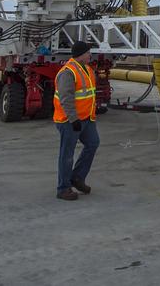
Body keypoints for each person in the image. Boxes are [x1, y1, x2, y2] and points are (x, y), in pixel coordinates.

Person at [54, 42, 100, 201]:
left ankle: (77, 178)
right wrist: (73, 119)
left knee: (93, 143)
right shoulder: (68, 72)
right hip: (69, 120)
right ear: (80, 54)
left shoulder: (87, 69)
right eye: (88, 52)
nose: (90, 55)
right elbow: (66, 98)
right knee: (67, 154)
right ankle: (63, 188)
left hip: (87, 119)